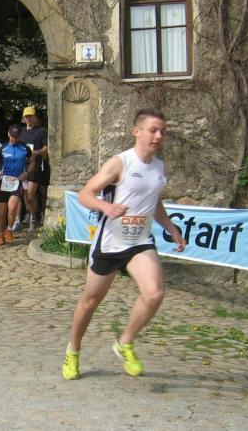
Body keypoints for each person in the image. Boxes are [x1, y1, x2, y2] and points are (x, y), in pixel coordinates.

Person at [61, 109, 186, 380]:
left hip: (139, 242)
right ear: (136, 132)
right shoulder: (120, 163)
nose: (159, 136)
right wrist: (106, 206)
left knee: (154, 293)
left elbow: (155, 203)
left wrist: (171, 229)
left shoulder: (160, 168)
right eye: (153, 130)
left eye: (163, 131)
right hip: (109, 243)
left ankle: (125, 342)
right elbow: (85, 194)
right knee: (90, 302)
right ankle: (74, 350)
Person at [0, 124, 34, 246]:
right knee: (2, 210)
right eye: (12, 136)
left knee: (13, 206)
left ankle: (9, 230)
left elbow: (32, 161)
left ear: (20, 136)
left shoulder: (25, 148)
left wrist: (27, 173)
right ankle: (0, 234)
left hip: (17, 182)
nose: (13, 139)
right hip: (4, 182)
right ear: (8, 134)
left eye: (16, 137)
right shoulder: (2, 148)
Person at [18, 106, 49, 231]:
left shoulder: (41, 131)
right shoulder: (21, 132)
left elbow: (46, 148)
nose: (29, 118)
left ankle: (34, 216)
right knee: (25, 194)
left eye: (31, 116)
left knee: (31, 194)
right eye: (27, 116)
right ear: (23, 118)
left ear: (35, 117)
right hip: (23, 165)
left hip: (36, 165)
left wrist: (38, 152)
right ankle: (31, 216)